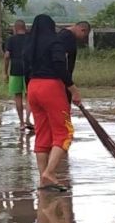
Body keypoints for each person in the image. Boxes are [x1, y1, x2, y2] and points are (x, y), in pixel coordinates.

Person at [24, 14, 82, 188]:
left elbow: (26, 69)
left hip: (33, 88)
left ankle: (43, 178)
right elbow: (60, 67)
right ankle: (49, 172)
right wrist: (73, 89)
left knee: (42, 133)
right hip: (51, 88)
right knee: (64, 133)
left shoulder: (29, 46)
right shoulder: (54, 43)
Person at [3, 20, 33, 131]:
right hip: (29, 70)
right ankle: (28, 119)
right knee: (29, 96)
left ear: (15, 28)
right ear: (25, 28)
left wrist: (5, 72)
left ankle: (21, 123)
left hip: (15, 70)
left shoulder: (11, 39)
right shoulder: (30, 39)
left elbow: (6, 56)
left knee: (18, 96)